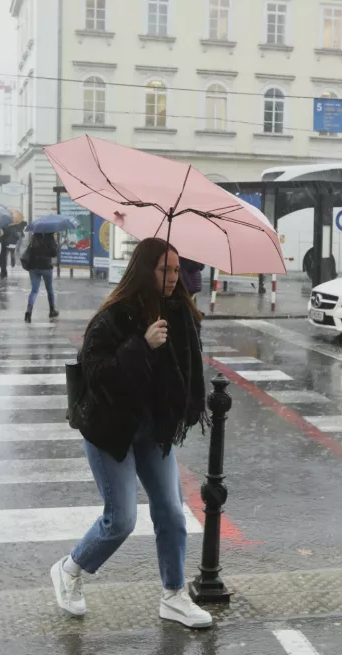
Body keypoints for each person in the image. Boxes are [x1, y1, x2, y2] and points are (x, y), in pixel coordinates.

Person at [51, 237, 210, 628]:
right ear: (145, 270)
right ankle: (70, 569)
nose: (174, 278)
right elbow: (98, 374)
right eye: (165, 270)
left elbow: (186, 373)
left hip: (152, 429)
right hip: (110, 429)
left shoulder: (180, 314)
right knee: (121, 519)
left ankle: (173, 595)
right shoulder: (114, 316)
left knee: (172, 513)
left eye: (177, 270)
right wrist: (141, 344)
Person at [22, 231, 59, 323]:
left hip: (33, 267)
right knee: (49, 289)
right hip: (46, 267)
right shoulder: (49, 237)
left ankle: (29, 311)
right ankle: (52, 310)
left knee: (34, 290)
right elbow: (54, 253)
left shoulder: (34, 238)